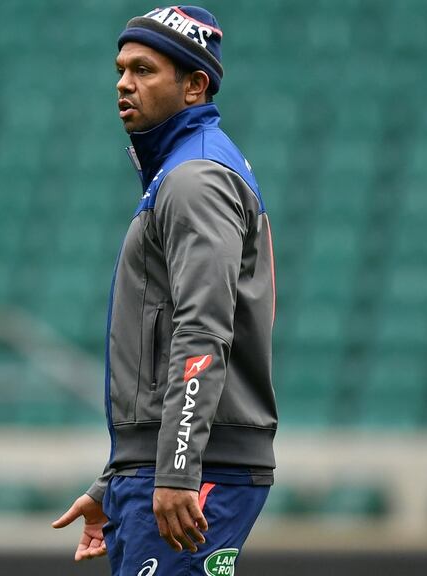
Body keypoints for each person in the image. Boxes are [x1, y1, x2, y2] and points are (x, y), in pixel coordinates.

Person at [52, 6, 277, 575]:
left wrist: (177, 470)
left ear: (195, 85)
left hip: (194, 471)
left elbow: (201, 329)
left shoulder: (195, 178)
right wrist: (115, 479)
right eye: (121, 69)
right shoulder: (176, 173)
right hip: (158, 467)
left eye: (145, 70)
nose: (124, 83)